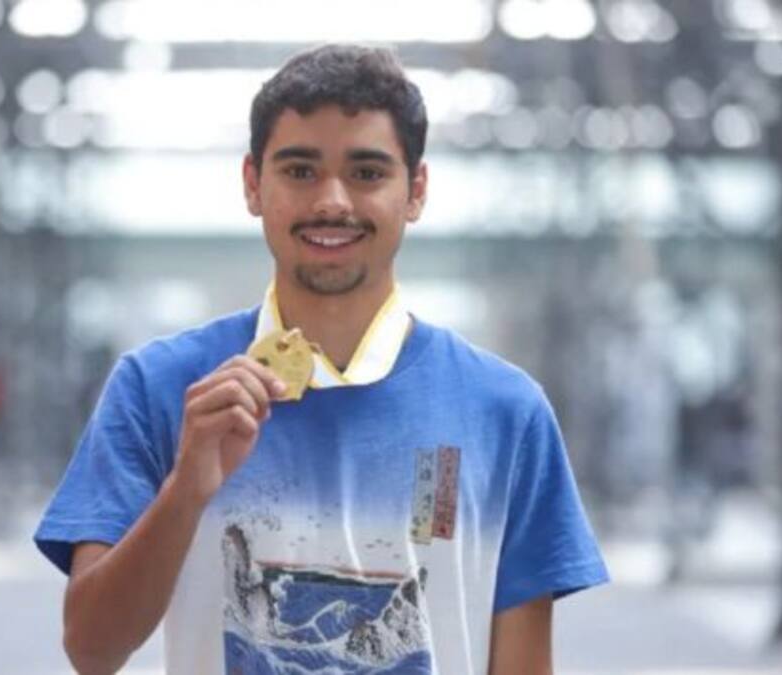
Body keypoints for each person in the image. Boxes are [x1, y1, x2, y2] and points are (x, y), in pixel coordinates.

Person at [34, 43, 608, 675]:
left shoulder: (507, 411)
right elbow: (90, 648)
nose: (332, 201)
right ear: (254, 184)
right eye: (300, 170)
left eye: (367, 172)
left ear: (415, 190)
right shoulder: (159, 386)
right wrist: (187, 489)